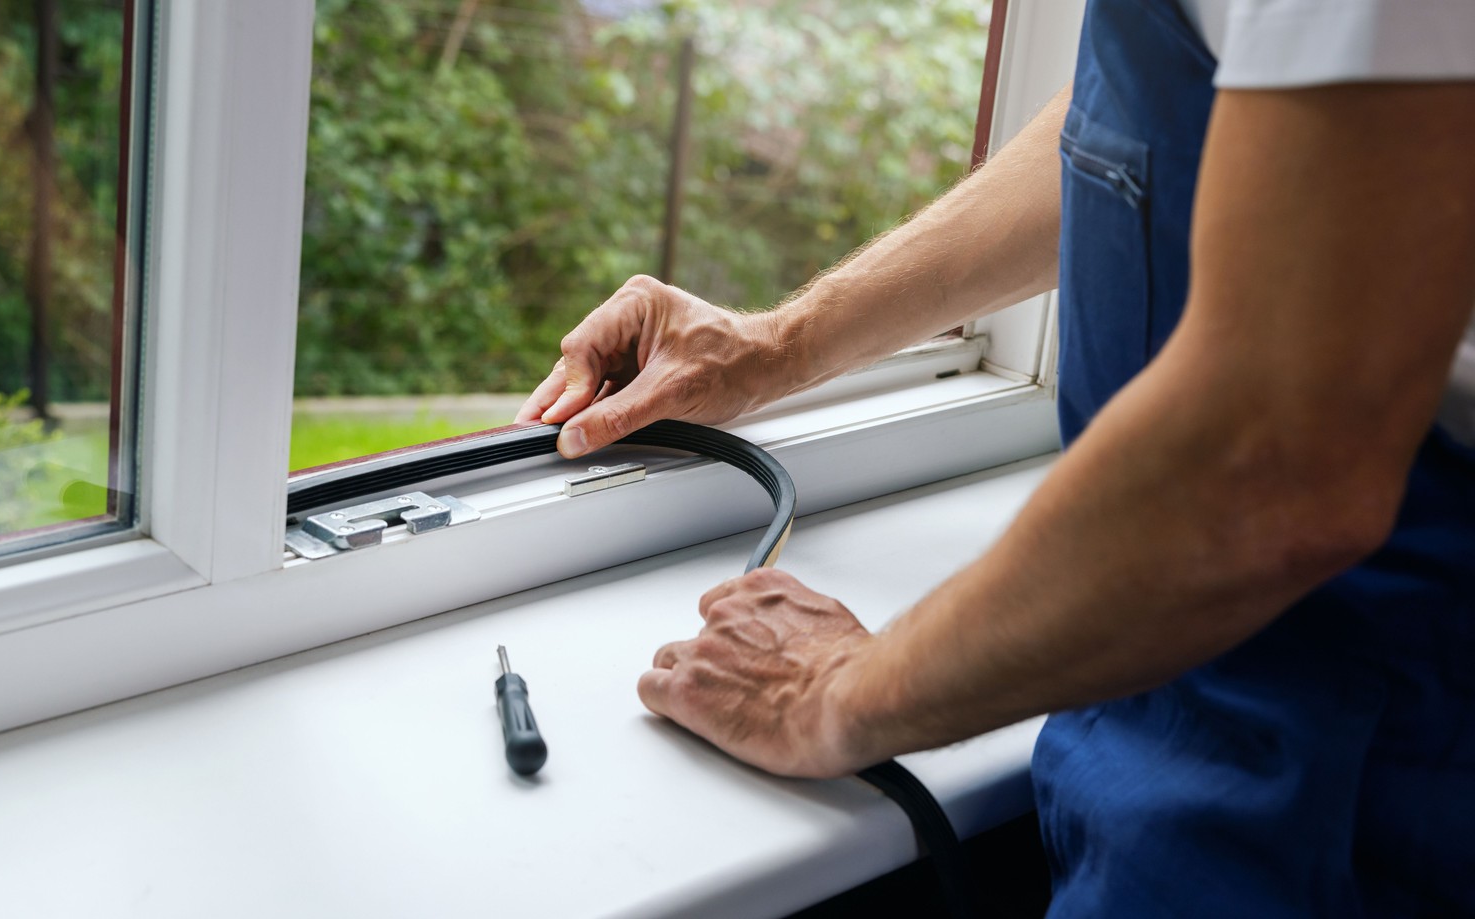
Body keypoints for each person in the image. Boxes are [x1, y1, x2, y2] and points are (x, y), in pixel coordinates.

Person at [517, 1, 1475, 913]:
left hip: (1344, 778)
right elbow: (1154, 114)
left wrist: (839, 692)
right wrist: (781, 344)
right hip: (1187, 710)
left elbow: (1270, 468)